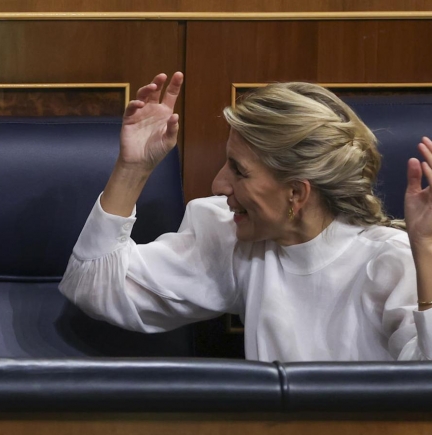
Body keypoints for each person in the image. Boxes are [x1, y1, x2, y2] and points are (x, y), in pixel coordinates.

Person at [59, 72, 432, 361]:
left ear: (296, 193)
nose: (219, 184)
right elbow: (93, 288)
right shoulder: (234, 237)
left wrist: (427, 253)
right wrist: (133, 168)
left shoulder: (391, 261)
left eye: (239, 170)